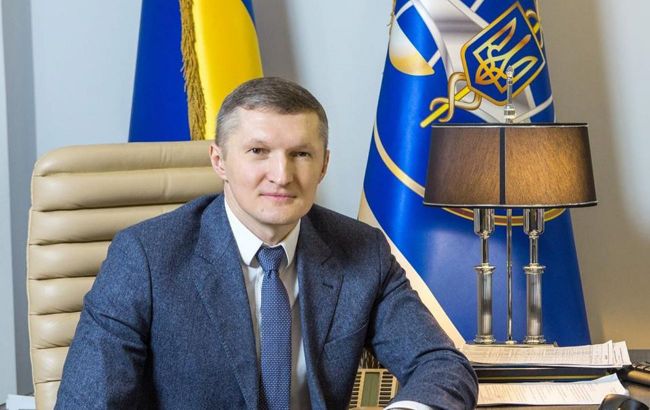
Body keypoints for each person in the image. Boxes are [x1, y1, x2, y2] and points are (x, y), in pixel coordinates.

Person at [56, 77, 478, 409]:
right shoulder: (145, 257)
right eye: (258, 151)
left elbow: (441, 365)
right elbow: (87, 402)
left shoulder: (363, 252)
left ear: (324, 165)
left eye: (301, 154)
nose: (281, 175)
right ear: (219, 161)